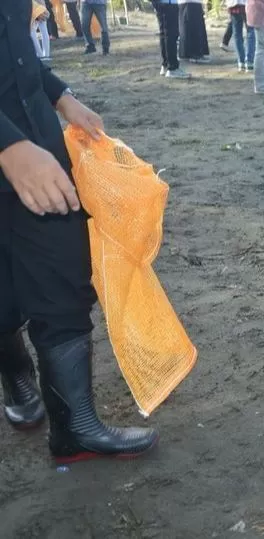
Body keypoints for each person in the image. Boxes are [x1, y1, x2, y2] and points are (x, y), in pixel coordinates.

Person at [1, 0, 159, 463]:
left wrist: (61, 96)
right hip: (17, 152)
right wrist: (8, 146)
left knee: (64, 273)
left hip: (41, 151)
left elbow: (13, 47)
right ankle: (16, 376)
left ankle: (75, 427)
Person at [152, 0, 191, 78]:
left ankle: (166, 64)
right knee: (171, 35)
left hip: (161, 3)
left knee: (164, 34)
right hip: (169, 4)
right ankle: (172, 68)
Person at [226, 0, 255, 72]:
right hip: (248, 4)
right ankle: (249, 61)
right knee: (251, 31)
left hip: (233, 4)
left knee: (237, 33)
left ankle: (241, 61)